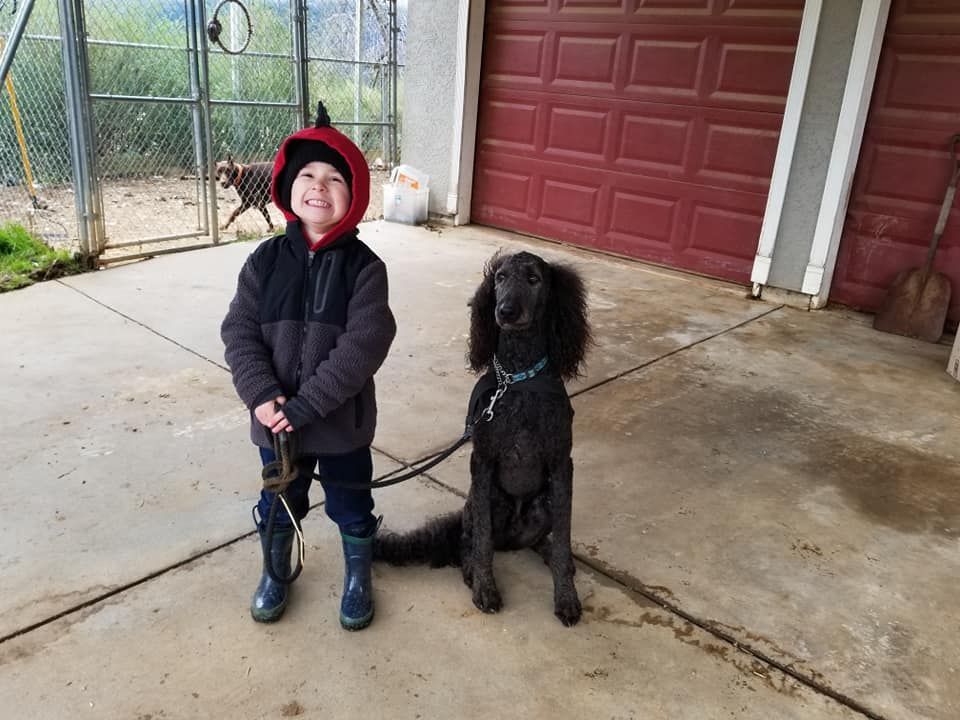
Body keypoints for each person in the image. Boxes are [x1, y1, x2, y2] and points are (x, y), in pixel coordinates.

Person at [221, 102, 396, 630]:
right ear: (285, 187)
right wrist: (261, 393)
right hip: (276, 429)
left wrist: (307, 404)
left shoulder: (366, 269)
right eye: (307, 175)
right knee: (279, 501)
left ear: (355, 196)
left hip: (339, 427)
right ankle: (276, 570)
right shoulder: (263, 261)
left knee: (351, 502)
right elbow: (239, 331)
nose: (319, 186)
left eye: (335, 178)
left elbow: (365, 343)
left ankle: (358, 575)